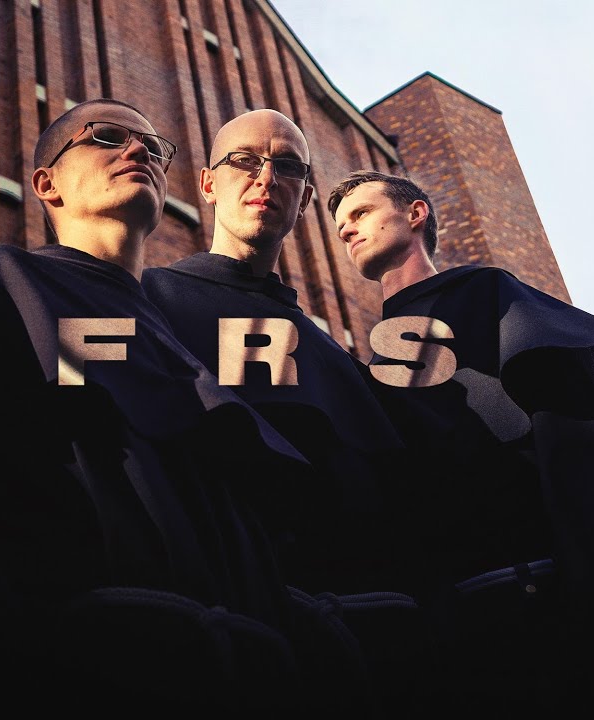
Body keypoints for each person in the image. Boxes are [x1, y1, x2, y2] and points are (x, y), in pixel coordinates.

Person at [0, 99, 356, 718]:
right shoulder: (7, 282)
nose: (139, 149)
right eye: (106, 137)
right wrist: (7, 641)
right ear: (47, 184)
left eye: (153, 146)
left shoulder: (180, 336)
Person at [328, 170, 594, 716]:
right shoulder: (379, 356)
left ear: (415, 214)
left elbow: (578, 421)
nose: (346, 230)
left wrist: (592, 571)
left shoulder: (484, 292)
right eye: (341, 224)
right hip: (457, 614)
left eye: (361, 213)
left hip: (546, 593)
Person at [140, 110, 407, 596]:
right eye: (244, 160)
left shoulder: (335, 361)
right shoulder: (144, 299)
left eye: (287, 166)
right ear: (208, 184)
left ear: (304, 199)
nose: (266, 178)